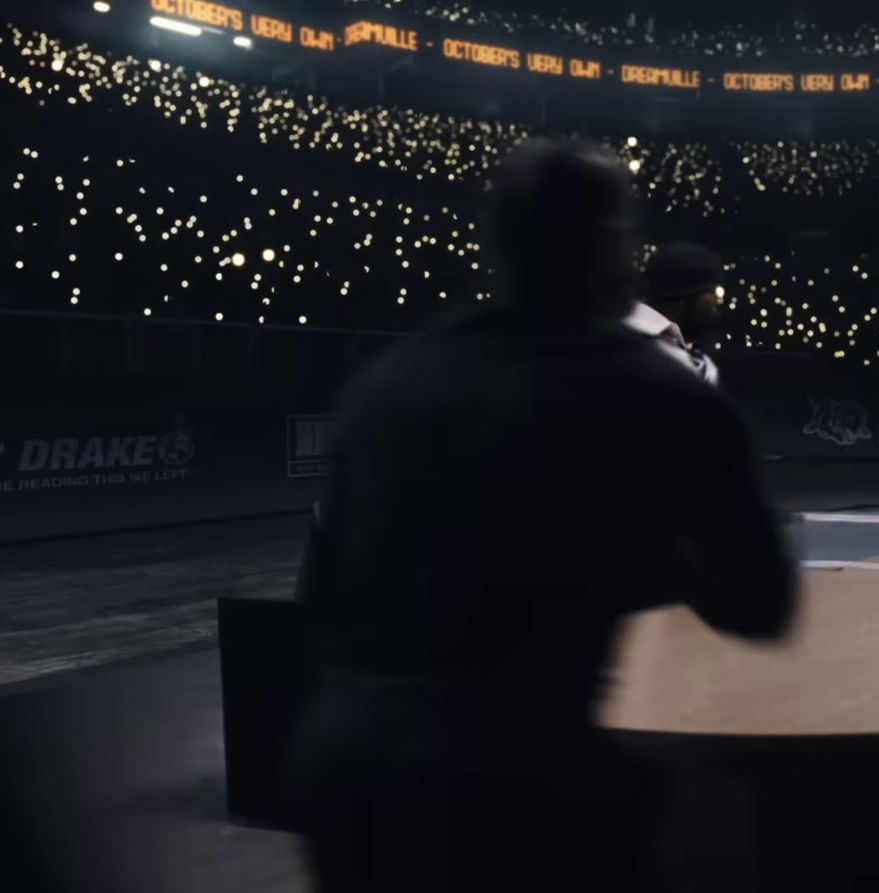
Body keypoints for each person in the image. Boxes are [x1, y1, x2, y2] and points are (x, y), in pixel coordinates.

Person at [288, 139, 796, 893]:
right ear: (610, 245)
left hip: (342, 768)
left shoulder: (388, 383)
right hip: (514, 778)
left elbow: (319, 585)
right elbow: (759, 602)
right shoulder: (661, 390)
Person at [626, 241, 727, 385]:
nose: (718, 300)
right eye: (713, 291)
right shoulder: (631, 345)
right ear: (685, 294)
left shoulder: (700, 359)